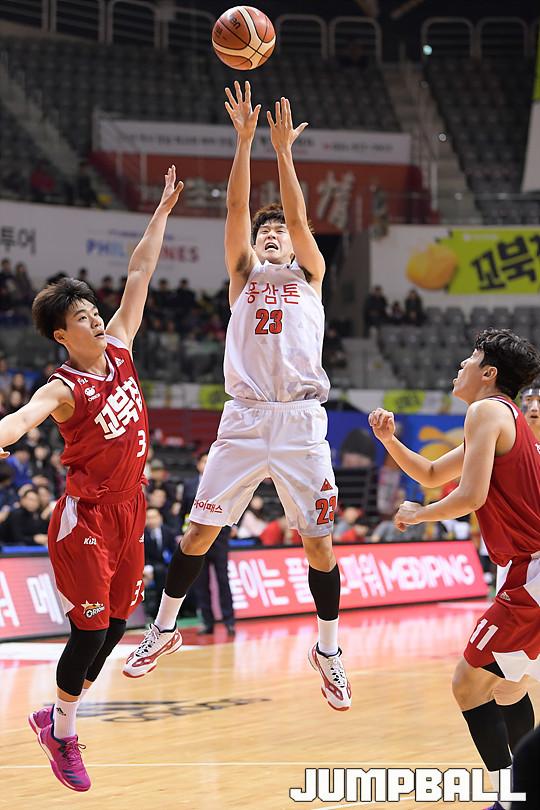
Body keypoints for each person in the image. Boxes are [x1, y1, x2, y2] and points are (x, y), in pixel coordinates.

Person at [124, 82, 352, 711]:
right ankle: (164, 629)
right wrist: (246, 142)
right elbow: (234, 210)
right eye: (264, 231)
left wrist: (284, 153)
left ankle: (328, 650)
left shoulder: (311, 276)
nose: (272, 234)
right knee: (199, 532)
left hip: (302, 421)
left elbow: (300, 219)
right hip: (246, 419)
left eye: (278, 231)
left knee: (318, 544)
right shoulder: (244, 276)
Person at [0, 166, 183, 792]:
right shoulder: (62, 387)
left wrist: (160, 212)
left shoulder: (123, 345)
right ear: (62, 335)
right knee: (90, 629)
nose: (97, 319)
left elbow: (140, 273)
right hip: (87, 518)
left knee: (116, 629)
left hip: (131, 511)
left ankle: (54, 718)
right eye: (82, 316)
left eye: (94, 310)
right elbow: (22, 420)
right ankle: (64, 733)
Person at [368, 329, 540, 810]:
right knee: (505, 689)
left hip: (530, 570)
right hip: (527, 569)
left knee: (468, 684)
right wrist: (389, 440)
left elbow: (471, 496)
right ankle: (524, 792)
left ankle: (511, 796)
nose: (461, 364)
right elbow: (430, 474)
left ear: (489, 373)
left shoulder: (486, 411)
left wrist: (420, 514)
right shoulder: (501, 418)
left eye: (471, 357)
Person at [182, 450, 235, 636]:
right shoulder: (189, 485)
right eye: (203, 461)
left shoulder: (224, 482)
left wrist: (234, 525)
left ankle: (229, 621)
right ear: (198, 464)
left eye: (209, 461)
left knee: (223, 580)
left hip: (220, 538)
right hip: (197, 537)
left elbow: (237, 504)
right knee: (201, 582)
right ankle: (207, 622)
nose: (206, 464)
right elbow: (184, 512)